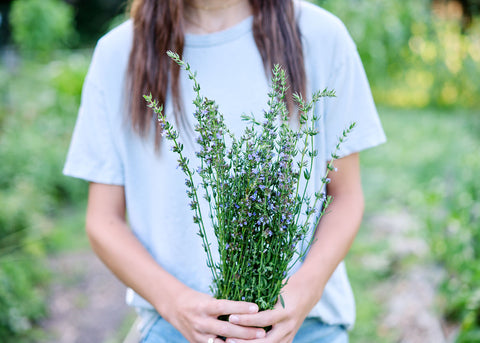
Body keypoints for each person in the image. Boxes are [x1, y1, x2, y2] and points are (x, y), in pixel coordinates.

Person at [63, 0, 386, 342]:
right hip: (175, 326)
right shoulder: (119, 53)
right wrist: (178, 304)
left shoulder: (319, 35)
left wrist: (304, 291)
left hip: (305, 325)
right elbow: (103, 220)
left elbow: (345, 195)